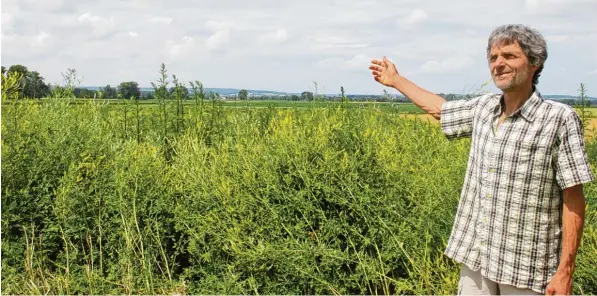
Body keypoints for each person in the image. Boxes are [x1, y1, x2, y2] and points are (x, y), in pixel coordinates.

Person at [369, 24, 594, 295]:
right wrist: (396, 80)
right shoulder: (484, 108)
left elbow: (573, 198)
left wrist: (565, 272)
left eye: (509, 56)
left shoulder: (558, 118)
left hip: (527, 268)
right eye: (493, 58)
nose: (498, 63)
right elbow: (441, 109)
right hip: (477, 259)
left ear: (535, 63)